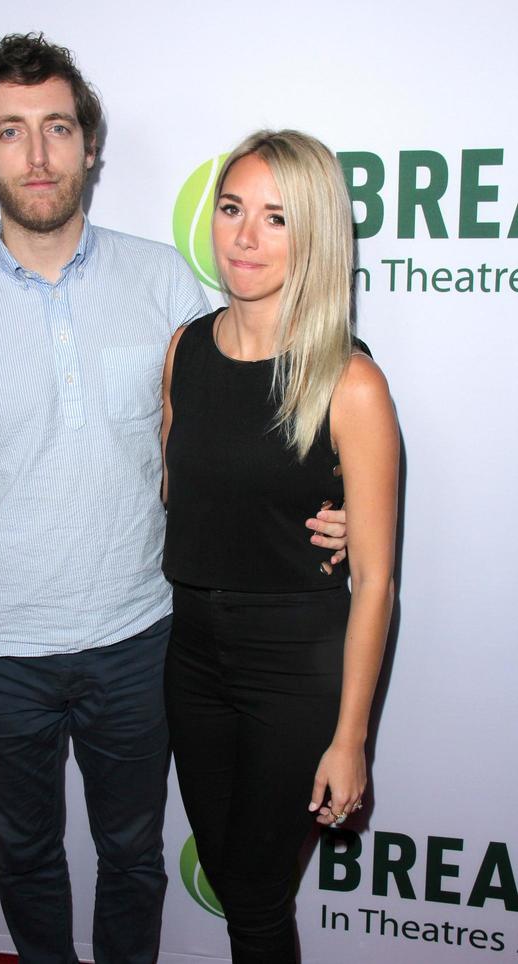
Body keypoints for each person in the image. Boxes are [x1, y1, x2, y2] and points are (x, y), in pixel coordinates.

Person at [0, 37, 349, 964]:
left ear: (90, 144)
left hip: (141, 640)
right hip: (4, 651)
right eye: (11, 133)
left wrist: (332, 511)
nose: (39, 155)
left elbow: (250, 426)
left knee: (134, 857)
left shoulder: (167, 283)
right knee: (25, 858)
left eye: (58, 127)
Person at [162, 130, 399, 963]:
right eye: (232, 210)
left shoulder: (349, 380)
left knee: (259, 900)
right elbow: (181, 494)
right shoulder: (184, 351)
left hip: (294, 661)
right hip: (188, 651)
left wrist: (350, 739)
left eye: (275, 218)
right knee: (233, 880)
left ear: (316, 236)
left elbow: (374, 582)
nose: (244, 237)